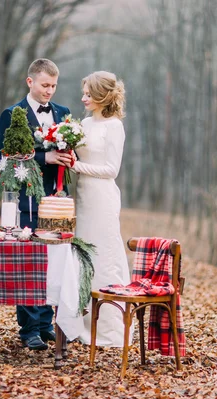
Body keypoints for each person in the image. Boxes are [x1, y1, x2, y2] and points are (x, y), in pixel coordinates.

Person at [0, 58, 73, 351]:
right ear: (30, 82)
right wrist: (45, 158)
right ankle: (28, 329)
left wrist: (69, 156)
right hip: (25, 199)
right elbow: (5, 160)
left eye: (53, 86)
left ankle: (45, 323)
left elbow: (67, 148)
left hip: (57, 199)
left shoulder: (63, 113)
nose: (49, 91)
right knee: (29, 262)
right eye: (44, 85)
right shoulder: (12, 113)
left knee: (53, 263)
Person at [72, 71, 131, 347]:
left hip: (103, 198)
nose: (83, 97)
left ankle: (109, 330)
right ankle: (82, 326)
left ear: (102, 96)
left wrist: (76, 166)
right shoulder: (82, 123)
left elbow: (111, 169)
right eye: (83, 92)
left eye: (88, 93)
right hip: (82, 197)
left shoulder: (114, 126)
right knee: (83, 257)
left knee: (104, 257)